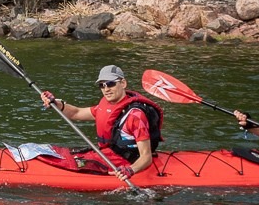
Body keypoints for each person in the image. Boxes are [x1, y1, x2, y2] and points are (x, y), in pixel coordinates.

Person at [34, 64, 164, 174]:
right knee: (61, 155)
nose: (106, 89)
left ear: (123, 83)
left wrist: (130, 170)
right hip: (107, 154)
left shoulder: (135, 116)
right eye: (102, 85)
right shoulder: (107, 105)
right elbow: (76, 113)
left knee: (71, 164)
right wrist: (56, 104)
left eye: (111, 84)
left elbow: (146, 157)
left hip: (125, 162)